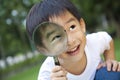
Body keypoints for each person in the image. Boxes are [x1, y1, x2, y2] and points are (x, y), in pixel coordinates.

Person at [26, 0, 120, 80]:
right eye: (56, 37)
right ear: (44, 48)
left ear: (82, 25)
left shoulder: (93, 42)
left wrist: (109, 60)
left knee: (111, 74)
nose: (70, 41)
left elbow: (107, 39)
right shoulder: (47, 73)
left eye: (72, 27)